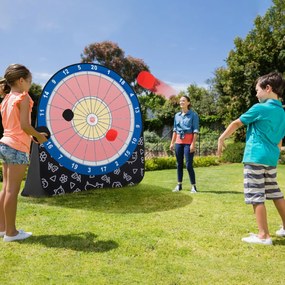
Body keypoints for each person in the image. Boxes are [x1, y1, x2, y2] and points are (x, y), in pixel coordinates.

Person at [217, 71, 285, 245]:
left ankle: (263, 235)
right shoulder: (282, 113)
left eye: (257, 90)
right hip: (271, 159)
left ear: (268, 88)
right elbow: (279, 139)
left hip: (255, 156)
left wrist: (221, 138)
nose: (256, 94)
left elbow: (236, 123)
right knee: (275, 193)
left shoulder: (260, 108)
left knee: (256, 195)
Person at [0, 64, 48, 242]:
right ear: (21, 81)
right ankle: (11, 233)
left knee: (6, 189)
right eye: (29, 81)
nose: (30, 85)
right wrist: (39, 136)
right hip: (17, 147)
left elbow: (14, 127)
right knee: (12, 190)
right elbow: (25, 126)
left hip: (5, 144)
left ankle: (2, 228)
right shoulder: (23, 97)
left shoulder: (6, 99)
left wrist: (33, 136)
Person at [170, 95, 199, 193]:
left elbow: (195, 131)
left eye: (183, 101)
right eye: (180, 101)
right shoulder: (177, 115)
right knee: (179, 164)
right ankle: (179, 185)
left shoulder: (193, 115)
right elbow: (174, 130)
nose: (181, 102)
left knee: (188, 165)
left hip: (188, 142)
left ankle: (193, 187)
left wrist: (193, 144)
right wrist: (172, 143)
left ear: (188, 103)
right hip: (178, 142)